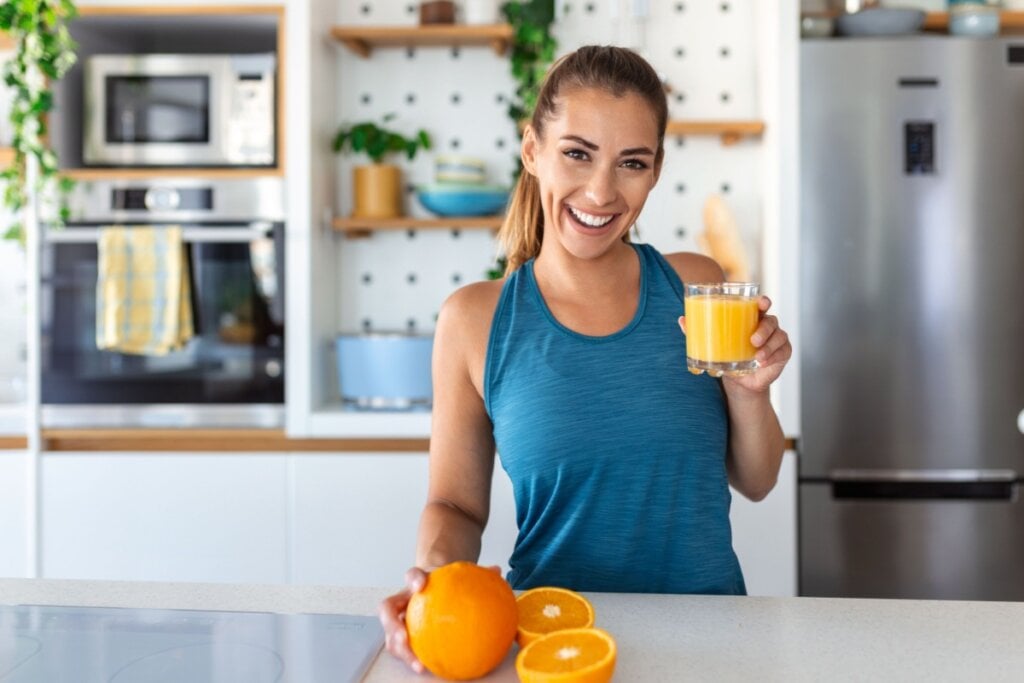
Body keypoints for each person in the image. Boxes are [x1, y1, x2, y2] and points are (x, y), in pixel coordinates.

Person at [380, 45, 791, 671]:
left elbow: (757, 481)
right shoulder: (474, 321)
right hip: (553, 643)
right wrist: (432, 590)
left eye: (632, 162)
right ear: (532, 151)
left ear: (654, 173)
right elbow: (456, 506)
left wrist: (750, 392)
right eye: (577, 153)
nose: (601, 191)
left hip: (714, 646)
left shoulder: (698, 289)